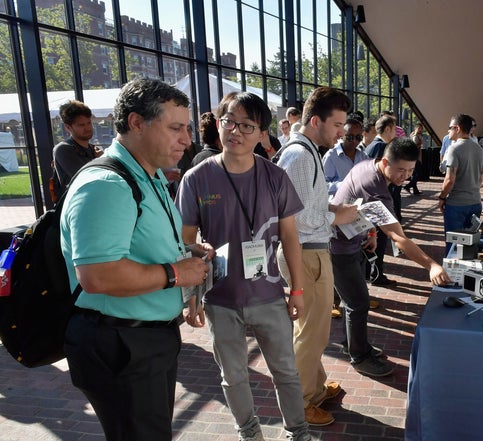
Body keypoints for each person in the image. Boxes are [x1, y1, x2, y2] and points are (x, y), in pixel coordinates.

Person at [60, 78, 213, 441]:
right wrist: (176, 273)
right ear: (136, 123)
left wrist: (185, 254)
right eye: (175, 127)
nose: (186, 139)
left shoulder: (149, 176)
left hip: (142, 338)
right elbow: (97, 276)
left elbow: (138, 246)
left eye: (187, 128)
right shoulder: (107, 185)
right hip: (119, 342)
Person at [177, 92, 311, 441]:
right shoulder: (197, 178)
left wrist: (296, 288)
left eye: (247, 125)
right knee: (233, 376)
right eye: (229, 121)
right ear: (218, 123)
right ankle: (249, 433)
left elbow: (290, 238)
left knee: (286, 372)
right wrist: (191, 297)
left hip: (268, 295)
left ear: (261, 133)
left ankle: (298, 432)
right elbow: (184, 243)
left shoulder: (275, 177)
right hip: (221, 299)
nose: (235, 131)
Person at [331, 137, 452, 376]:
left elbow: (359, 204)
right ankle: (359, 356)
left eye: (410, 170)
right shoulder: (375, 188)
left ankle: (353, 344)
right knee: (358, 302)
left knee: (352, 300)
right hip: (337, 247)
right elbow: (398, 237)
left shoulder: (368, 164)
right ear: (385, 161)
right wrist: (431, 265)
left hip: (351, 240)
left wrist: (372, 231)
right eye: (400, 170)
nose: (405, 176)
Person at [276, 86, 359, 426]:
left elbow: (305, 205)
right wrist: (338, 216)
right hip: (305, 254)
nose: (343, 132)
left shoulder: (306, 152)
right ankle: (299, 403)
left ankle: (314, 387)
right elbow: (292, 218)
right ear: (315, 121)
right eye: (338, 125)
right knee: (310, 332)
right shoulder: (299, 156)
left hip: (311, 252)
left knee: (316, 329)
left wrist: (335, 209)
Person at [438, 113, 483, 255]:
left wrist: (442, 197)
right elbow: (480, 178)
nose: (448, 131)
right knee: (469, 245)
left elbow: (449, 179)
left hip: (457, 204)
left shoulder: (454, 149)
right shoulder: (479, 149)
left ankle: (451, 276)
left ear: (457, 128)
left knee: (452, 245)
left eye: (450, 128)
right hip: (476, 201)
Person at [362, 114, 399, 286]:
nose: (396, 133)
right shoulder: (381, 148)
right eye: (394, 128)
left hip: (371, 202)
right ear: (387, 129)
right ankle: (376, 274)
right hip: (377, 203)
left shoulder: (371, 146)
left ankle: (374, 273)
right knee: (379, 239)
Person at [52, 100, 103, 196]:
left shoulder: (93, 149)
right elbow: (89, 179)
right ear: (68, 127)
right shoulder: (63, 149)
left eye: (89, 123)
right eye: (81, 125)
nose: (88, 128)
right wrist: (102, 160)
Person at [322, 117, 368, 196]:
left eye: (358, 137)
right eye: (350, 137)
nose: (354, 140)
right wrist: (343, 185)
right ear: (342, 135)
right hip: (338, 205)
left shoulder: (364, 157)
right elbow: (322, 186)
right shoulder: (331, 156)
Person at [404, 123, 424, 195]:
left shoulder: (418, 135)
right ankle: (407, 186)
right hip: (415, 158)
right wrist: (420, 143)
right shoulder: (415, 136)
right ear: (415, 128)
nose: (420, 130)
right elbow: (414, 147)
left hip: (416, 157)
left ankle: (415, 190)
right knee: (416, 174)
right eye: (419, 128)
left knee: (415, 174)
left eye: (421, 128)